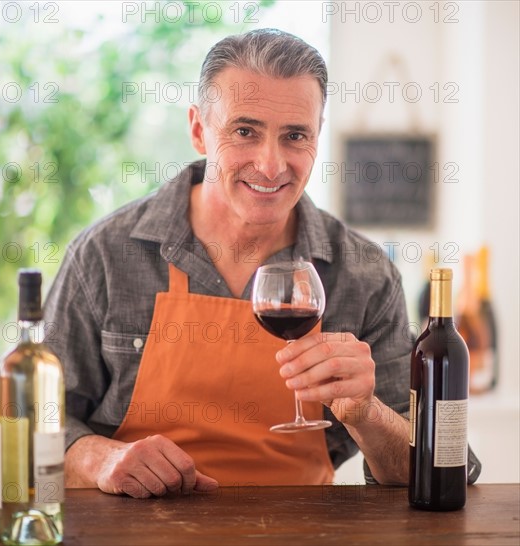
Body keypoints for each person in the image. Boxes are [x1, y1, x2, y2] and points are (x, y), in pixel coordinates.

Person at [44, 29, 473, 499]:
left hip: (300, 531)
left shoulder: (364, 275)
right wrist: (98, 458)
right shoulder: (104, 256)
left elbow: (441, 466)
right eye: (245, 131)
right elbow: (31, 423)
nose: (271, 165)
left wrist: (367, 413)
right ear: (198, 130)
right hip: (137, 526)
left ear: (317, 137)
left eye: (295, 136)